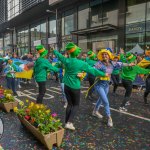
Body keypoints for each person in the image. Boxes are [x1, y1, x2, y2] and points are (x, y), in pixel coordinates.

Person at [53, 42, 108, 130]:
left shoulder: (66, 60)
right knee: (76, 105)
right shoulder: (81, 63)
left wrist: (54, 51)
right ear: (76, 53)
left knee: (70, 105)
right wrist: (104, 74)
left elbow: (59, 56)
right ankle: (69, 122)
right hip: (75, 86)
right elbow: (93, 71)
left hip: (66, 85)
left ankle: (66, 122)